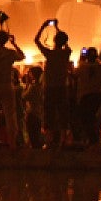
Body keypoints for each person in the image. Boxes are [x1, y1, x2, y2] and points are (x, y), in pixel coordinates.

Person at [35, 19, 72, 148]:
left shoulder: (49, 54)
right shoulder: (66, 53)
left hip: (50, 87)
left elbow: (36, 40)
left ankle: (49, 140)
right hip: (62, 87)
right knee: (63, 114)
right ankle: (63, 140)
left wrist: (43, 26)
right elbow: (66, 43)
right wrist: (57, 28)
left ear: (55, 40)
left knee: (48, 113)